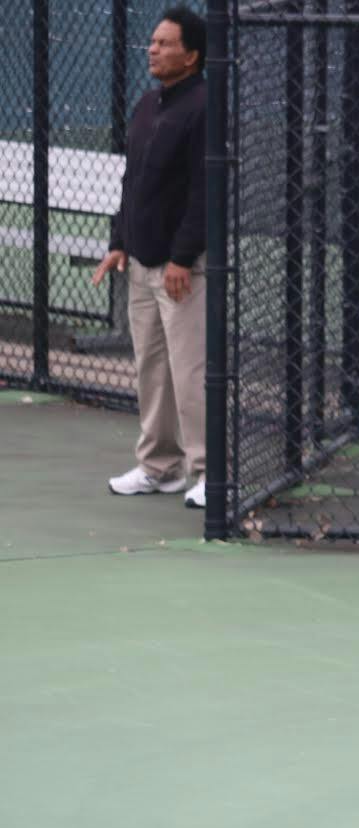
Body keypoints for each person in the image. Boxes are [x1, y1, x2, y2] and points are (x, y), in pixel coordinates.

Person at [93, 6, 209, 510]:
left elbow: (205, 192)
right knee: (152, 371)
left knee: (190, 372)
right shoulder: (147, 105)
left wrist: (183, 256)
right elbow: (132, 182)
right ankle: (160, 467)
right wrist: (120, 240)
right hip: (140, 265)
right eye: (153, 41)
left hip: (182, 270)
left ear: (192, 55)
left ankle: (208, 473)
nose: (153, 49)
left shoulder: (204, 107)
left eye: (165, 43)